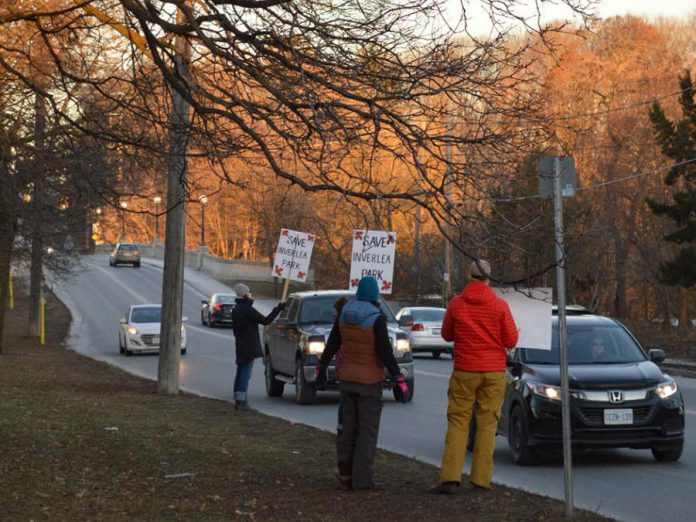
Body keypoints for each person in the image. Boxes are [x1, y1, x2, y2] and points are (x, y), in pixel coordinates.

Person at [430, 259, 518, 494]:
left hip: (465, 370)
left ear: (469, 276)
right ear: (489, 279)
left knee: (458, 423)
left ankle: (450, 478)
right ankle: (480, 480)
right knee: (487, 426)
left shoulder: (457, 304)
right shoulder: (500, 306)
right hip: (493, 373)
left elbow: (447, 335)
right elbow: (511, 340)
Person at [317, 276, 408, 490]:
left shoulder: (344, 314)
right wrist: (398, 378)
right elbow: (385, 352)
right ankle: (363, 479)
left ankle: (345, 472)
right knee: (367, 431)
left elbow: (332, 344)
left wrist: (321, 367)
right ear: (375, 295)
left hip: (346, 379)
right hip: (369, 382)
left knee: (347, 428)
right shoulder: (377, 318)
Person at [230, 283, 284, 411]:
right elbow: (265, 321)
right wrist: (278, 309)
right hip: (249, 345)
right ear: (245, 294)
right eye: (249, 292)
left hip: (241, 344)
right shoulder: (247, 309)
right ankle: (242, 401)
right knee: (245, 374)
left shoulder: (237, 309)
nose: (250, 294)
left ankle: (238, 399)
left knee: (240, 371)